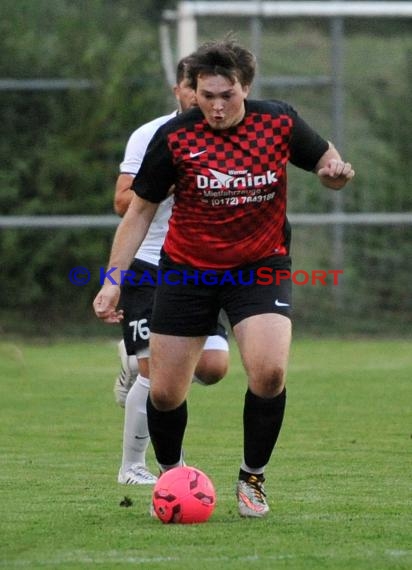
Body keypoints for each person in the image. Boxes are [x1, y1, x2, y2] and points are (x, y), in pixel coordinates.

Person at [93, 38, 355, 517]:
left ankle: (251, 480)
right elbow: (138, 212)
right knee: (168, 391)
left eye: (226, 95)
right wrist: (113, 280)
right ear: (193, 91)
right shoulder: (174, 136)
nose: (216, 106)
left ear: (245, 88)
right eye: (206, 95)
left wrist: (334, 171)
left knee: (270, 371)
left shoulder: (278, 121)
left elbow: (327, 163)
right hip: (187, 271)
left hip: (260, 267)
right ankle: (172, 476)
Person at [112, 58, 229, 485]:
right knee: (155, 374)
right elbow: (123, 202)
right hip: (148, 260)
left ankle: (132, 357)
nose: (200, 98)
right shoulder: (152, 135)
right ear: (180, 90)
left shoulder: (230, 136)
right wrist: (168, 182)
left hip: (199, 266)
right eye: (192, 88)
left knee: (213, 368)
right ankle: (133, 467)